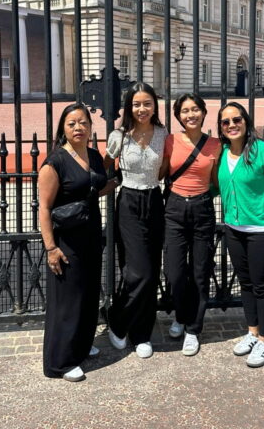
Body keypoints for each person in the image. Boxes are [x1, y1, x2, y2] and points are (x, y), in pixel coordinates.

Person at [39, 103, 108, 382]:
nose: (78, 127)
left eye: (83, 122)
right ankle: (60, 362)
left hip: (91, 235)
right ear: (63, 129)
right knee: (68, 300)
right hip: (66, 241)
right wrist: (51, 248)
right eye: (71, 123)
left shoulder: (92, 154)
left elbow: (95, 188)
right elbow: (43, 207)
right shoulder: (55, 161)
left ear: (90, 127)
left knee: (88, 294)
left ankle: (79, 346)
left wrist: (124, 180)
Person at [217, 102, 264, 368]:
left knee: (261, 284)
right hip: (234, 228)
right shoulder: (222, 153)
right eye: (226, 122)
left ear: (246, 122)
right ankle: (253, 331)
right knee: (246, 283)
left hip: (262, 229)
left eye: (236, 119)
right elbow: (219, 186)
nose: (232, 125)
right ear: (221, 128)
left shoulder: (263, 152)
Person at [105, 82, 168, 359]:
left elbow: (165, 170)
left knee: (152, 271)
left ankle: (142, 332)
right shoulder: (119, 136)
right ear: (129, 107)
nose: (142, 109)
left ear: (155, 105)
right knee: (136, 271)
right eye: (136, 104)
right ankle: (118, 321)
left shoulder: (163, 134)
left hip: (154, 200)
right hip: (128, 201)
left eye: (147, 103)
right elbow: (105, 167)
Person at [161, 93, 221, 356]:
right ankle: (181, 315)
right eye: (185, 111)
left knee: (199, 272)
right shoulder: (170, 141)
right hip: (173, 207)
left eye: (195, 109)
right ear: (178, 116)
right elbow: (161, 171)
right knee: (174, 271)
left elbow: (220, 181)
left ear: (203, 112)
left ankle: (193, 329)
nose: (191, 115)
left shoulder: (216, 145)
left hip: (202, 208)